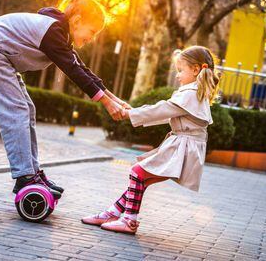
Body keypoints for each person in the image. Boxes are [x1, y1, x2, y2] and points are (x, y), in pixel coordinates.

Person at [0, 0, 128, 198]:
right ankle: (25, 177)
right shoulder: (53, 31)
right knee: (17, 111)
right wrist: (107, 104)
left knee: (28, 109)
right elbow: (73, 72)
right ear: (78, 20)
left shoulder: (60, 33)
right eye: (92, 32)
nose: (91, 39)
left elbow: (83, 70)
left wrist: (116, 99)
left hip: (2, 56)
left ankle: (32, 172)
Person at [82, 46, 220, 234]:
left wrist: (130, 114)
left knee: (137, 173)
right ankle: (112, 213)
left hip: (183, 146)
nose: (178, 75)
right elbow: (166, 114)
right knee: (142, 179)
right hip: (184, 145)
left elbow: (161, 109)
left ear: (196, 70)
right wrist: (134, 113)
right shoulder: (195, 93)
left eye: (181, 70)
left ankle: (129, 220)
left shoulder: (190, 93)